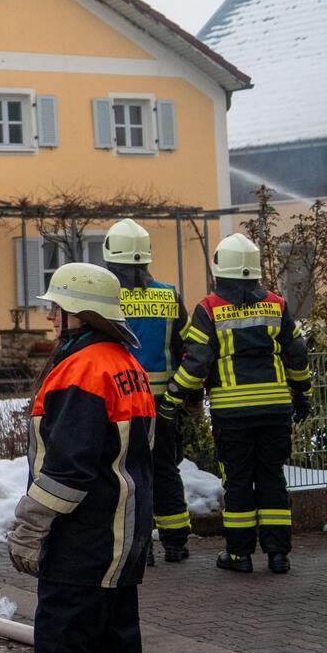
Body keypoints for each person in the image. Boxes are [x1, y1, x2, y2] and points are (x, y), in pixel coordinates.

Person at [4, 261, 157, 653]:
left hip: (84, 538)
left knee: (65, 647)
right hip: (124, 538)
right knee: (117, 650)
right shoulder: (125, 366)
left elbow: (69, 469)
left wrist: (29, 527)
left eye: (56, 306)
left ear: (80, 313)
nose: (48, 314)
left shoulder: (80, 371)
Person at [162, 233, 311, 574]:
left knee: (239, 481)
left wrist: (172, 398)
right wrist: (303, 395)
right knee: (273, 477)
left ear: (218, 269)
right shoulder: (276, 304)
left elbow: (197, 363)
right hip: (276, 409)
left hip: (234, 413)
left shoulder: (209, 308)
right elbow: (297, 354)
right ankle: (278, 555)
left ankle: (239, 555)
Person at [102, 220, 191, 563]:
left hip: (121, 401)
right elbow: (187, 347)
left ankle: (140, 547)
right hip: (163, 402)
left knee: (126, 472)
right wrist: (188, 396)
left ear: (111, 255)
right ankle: (176, 542)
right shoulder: (169, 294)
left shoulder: (108, 298)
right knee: (165, 468)